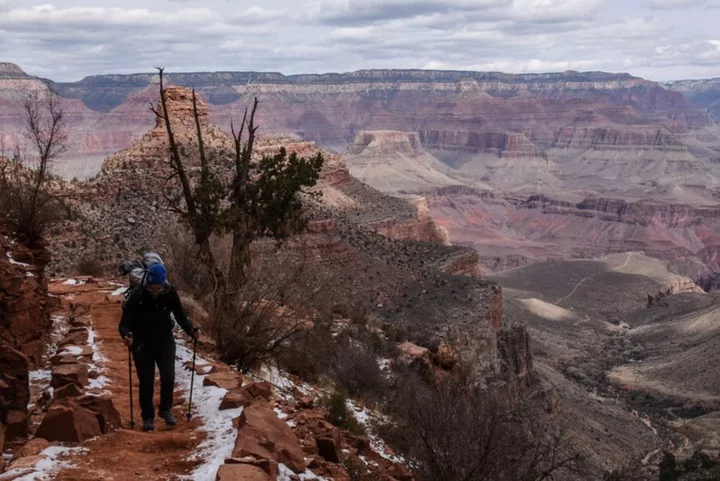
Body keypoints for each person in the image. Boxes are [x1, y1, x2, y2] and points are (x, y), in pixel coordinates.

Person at [118, 263, 199, 432]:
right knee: (146, 381)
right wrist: (126, 336)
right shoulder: (137, 296)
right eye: (151, 288)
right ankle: (148, 417)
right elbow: (124, 324)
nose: (154, 291)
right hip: (141, 344)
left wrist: (192, 331)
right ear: (147, 284)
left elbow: (180, 316)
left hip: (165, 341)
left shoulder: (170, 294)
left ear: (163, 285)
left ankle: (165, 409)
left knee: (168, 376)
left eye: (157, 288)